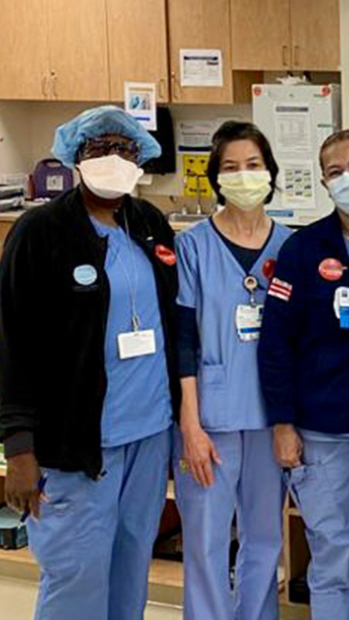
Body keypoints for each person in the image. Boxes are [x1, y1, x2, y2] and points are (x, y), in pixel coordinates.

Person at [0, 106, 178, 620]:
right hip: (76, 445)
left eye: (123, 149)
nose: (111, 159)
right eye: (96, 149)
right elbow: (17, 344)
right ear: (74, 159)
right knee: (76, 579)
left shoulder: (148, 223)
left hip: (146, 436)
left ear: (140, 158)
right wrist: (19, 449)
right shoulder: (40, 232)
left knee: (129, 574)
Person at [258, 130, 349, 620]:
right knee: (334, 554)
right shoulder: (303, 249)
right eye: (337, 172)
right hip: (324, 429)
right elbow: (275, 342)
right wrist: (282, 424)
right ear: (324, 182)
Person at [174, 121, 293, 620]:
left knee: (265, 539)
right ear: (215, 178)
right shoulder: (193, 246)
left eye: (253, 165)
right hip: (212, 418)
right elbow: (183, 338)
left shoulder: (290, 246)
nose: (244, 176)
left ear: (270, 171)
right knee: (205, 541)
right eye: (231, 167)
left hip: (270, 417)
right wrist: (191, 425)